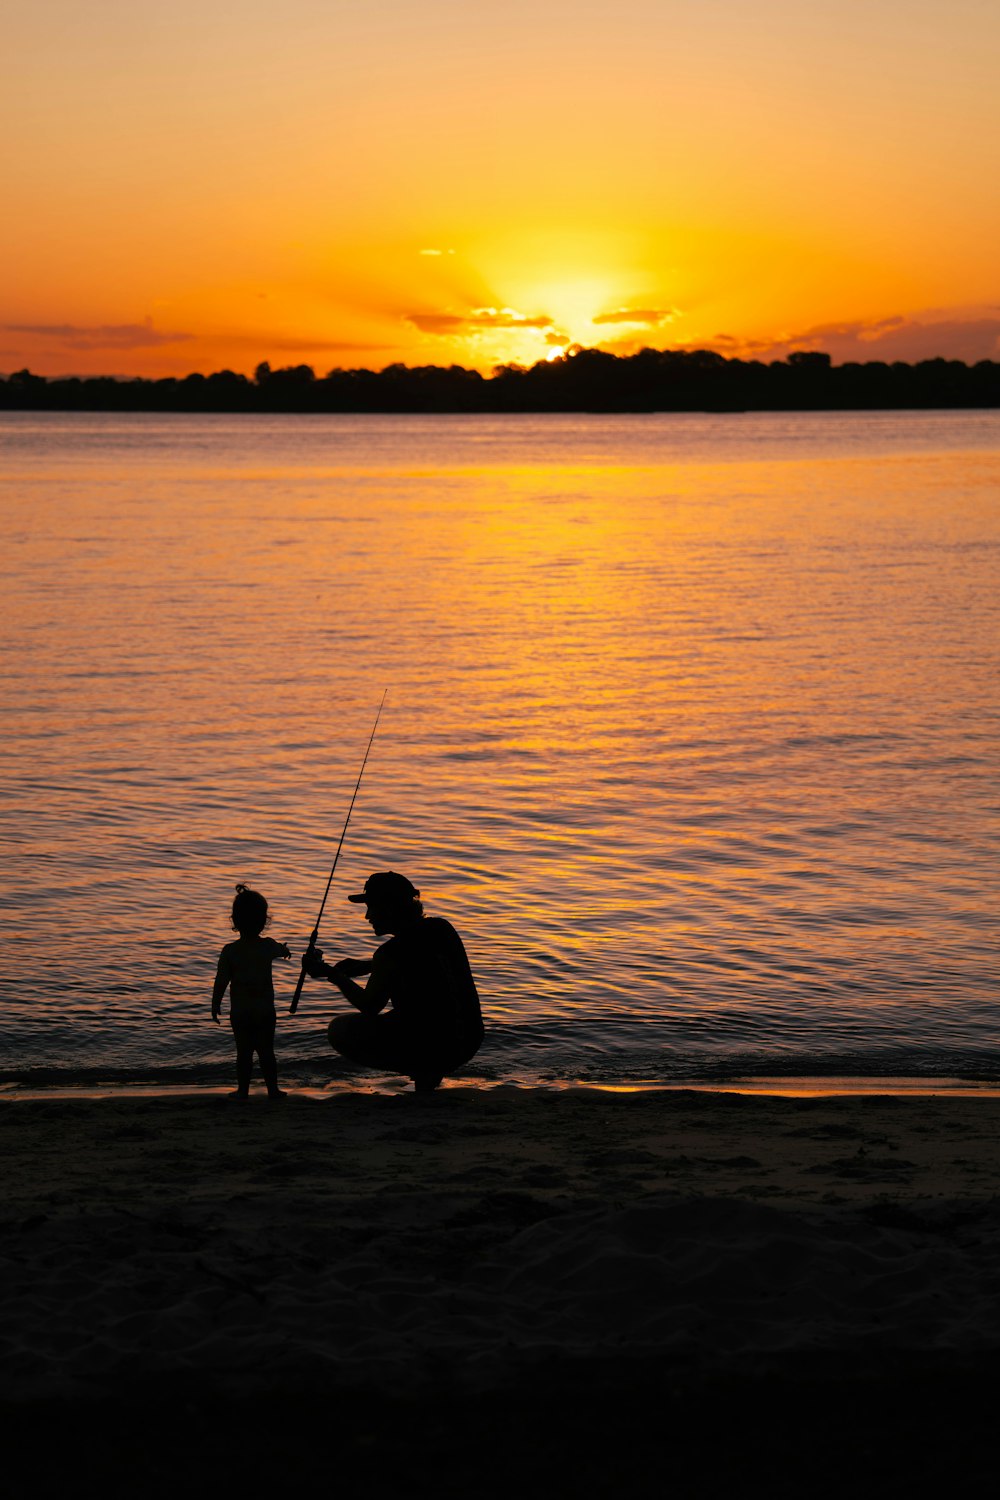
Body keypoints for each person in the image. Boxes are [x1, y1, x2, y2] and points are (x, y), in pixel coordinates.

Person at [303, 871, 483, 1093]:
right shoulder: (441, 928)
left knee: (339, 1030)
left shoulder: (389, 953)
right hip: (468, 1039)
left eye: (371, 907)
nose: (367, 916)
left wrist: (332, 975)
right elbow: (420, 958)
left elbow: (370, 1006)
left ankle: (423, 1071)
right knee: (427, 1016)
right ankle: (427, 1076)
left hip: (435, 1045)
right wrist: (368, 966)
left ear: (389, 908)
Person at [212, 883, 291, 1099]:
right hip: (265, 1010)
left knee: (244, 1053)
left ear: (235, 921)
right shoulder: (267, 946)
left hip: (241, 1011)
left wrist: (215, 1003)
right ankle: (273, 1090)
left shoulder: (230, 951)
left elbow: (221, 981)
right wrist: (285, 949)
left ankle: (243, 1091)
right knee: (267, 1052)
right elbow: (284, 951)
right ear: (264, 921)